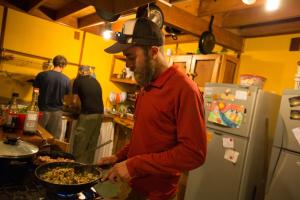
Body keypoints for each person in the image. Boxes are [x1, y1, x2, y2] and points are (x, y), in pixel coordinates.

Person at [98, 18, 207, 200]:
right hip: (132, 186)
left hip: (157, 195)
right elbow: (145, 137)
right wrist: (119, 157)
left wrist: (134, 165)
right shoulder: (146, 85)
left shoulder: (184, 89)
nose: (128, 65)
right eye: (126, 58)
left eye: (131, 57)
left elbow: (194, 153)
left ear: (154, 52)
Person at [72, 66, 104, 163]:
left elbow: (74, 101)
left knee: (80, 143)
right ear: (89, 72)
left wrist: (75, 108)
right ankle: (88, 172)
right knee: (92, 144)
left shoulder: (78, 80)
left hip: (88, 115)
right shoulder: (95, 81)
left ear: (80, 72)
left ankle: (77, 170)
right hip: (100, 114)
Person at [33, 55, 70, 139]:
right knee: (53, 139)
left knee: (37, 137)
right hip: (57, 113)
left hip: (42, 111)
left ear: (54, 63)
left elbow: (35, 91)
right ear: (64, 66)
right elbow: (66, 96)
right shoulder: (66, 80)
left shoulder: (42, 75)